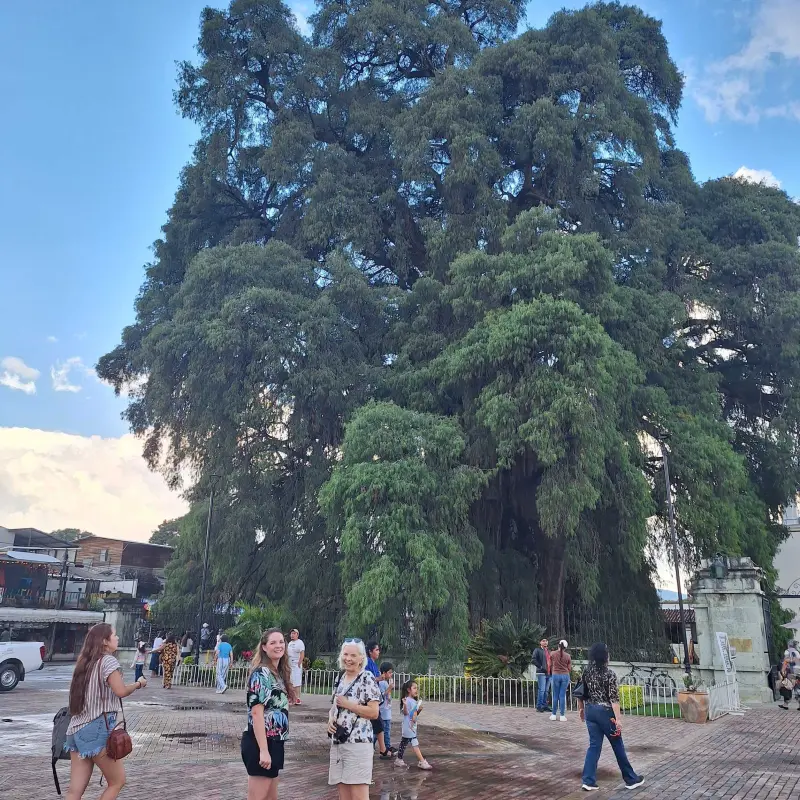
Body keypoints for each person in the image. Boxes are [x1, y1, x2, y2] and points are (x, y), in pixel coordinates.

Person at [63, 623, 147, 800]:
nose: (117, 638)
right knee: (117, 781)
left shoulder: (85, 663)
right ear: (104, 641)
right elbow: (121, 691)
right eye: (114, 635)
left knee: (75, 791)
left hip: (75, 729)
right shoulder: (108, 661)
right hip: (96, 729)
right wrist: (139, 683)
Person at [577, 642, 644, 791]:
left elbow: (580, 693)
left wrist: (581, 709)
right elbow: (614, 698)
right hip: (605, 712)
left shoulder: (587, 672)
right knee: (617, 744)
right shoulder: (609, 674)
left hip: (590, 711)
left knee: (594, 746)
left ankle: (588, 780)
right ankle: (631, 778)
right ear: (604, 656)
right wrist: (618, 719)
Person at [241, 628, 295, 800]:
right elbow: (256, 713)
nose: (278, 646)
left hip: (275, 742)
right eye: (273, 642)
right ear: (264, 647)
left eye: (281, 642)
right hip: (261, 742)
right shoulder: (261, 674)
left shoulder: (277, 674)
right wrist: (263, 750)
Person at [327, 638, 382, 799]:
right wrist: (330, 719)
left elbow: (374, 712)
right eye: (345, 654)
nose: (348, 659)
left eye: (353, 655)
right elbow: (335, 706)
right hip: (338, 743)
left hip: (358, 744)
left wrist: (348, 704)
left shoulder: (367, 678)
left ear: (361, 658)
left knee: (358, 795)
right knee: (343, 795)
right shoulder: (340, 678)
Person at [394, 679, 432, 770]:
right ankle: (422, 761)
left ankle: (399, 759)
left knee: (404, 742)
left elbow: (413, 715)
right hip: (409, 726)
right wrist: (405, 705)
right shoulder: (407, 700)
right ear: (408, 690)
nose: (416, 690)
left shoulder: (413, 701)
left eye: (417, 688)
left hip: (411, 726)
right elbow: (406, 713)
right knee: (414, 743)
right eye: (414, 688)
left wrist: (418, 710)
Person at [377, 662, 396, 758]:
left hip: (387, 712)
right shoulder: (382, 683)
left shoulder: (386, 682)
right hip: (383, 713)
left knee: (386, 731)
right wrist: (389, 689)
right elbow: (381, 696)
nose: (391, 674)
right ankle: (385, 749)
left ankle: (387, 748)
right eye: (389, 672)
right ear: (383, 673)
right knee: (384, 732)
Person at [550, 639, 571, 721]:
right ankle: (562, 715)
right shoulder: (568, 656)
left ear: (558, 645)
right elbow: (569, 668)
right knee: (562, 696)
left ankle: (553, 714)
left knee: (555, 695)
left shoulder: (553, 654)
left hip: (555, 675)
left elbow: (550, 664)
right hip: (565, 675)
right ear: (566, 647)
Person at [533, 637, 552, 712]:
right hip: (541, 673)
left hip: (549, 673)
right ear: (540, 642)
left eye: (546, 641)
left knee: (546, 691)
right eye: (543, 641)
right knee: (542, 690)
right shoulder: (537, 650)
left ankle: (544, 705)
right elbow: (533, 660)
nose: (545, 642)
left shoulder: (549, 651)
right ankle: (539, 706)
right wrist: (540, 667)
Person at [286, 629, 305, 705]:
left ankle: (297, 698)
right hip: (290, 663)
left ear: (297, 634)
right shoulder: (290, 643)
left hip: (296, 663)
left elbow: (302, 653)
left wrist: (299, 662)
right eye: (291, 633)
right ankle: (291, 697)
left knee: (297, 681)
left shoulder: (300, 643)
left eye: (294, 633)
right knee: (291, 681)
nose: (292, 635)